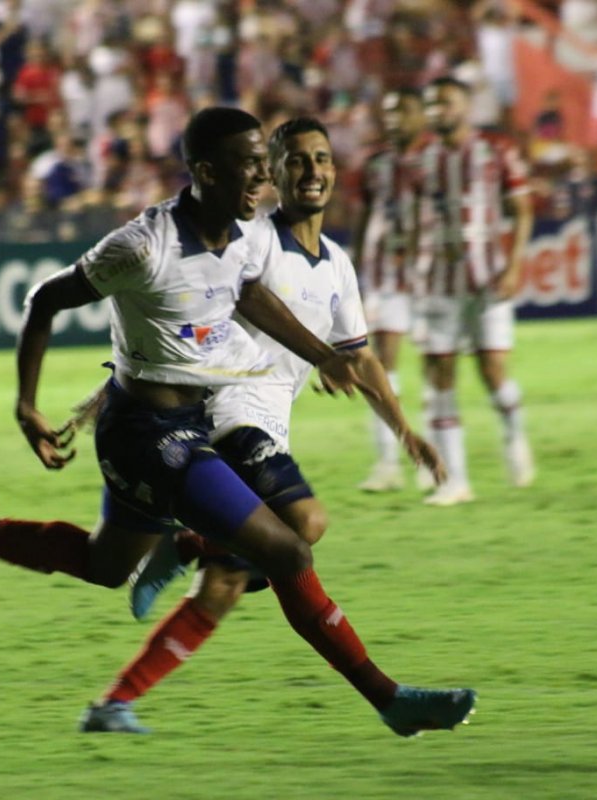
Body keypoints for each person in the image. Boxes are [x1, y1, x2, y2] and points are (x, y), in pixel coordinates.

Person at [0, 107, 476, 737]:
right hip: (149, 435)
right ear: (206, 172)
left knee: (105, 565)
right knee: (288, 547)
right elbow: (46, 299)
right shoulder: (144, 245)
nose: (263, 176)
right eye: (250, 164)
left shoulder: (239, 238)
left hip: (176, 421)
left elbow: (250, 294)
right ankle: (388, 699)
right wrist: (27, 404)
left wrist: (323, 355)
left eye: (262, 163)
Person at [77, 116, 446, 733]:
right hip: (225, 413)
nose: (311, 171)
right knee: (307, 523)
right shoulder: (248, 238)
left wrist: (404, 430)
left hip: (271, 424)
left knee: (223, 585)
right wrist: (118, 384)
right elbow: (179, 306)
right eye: (296, 160)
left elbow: (359, 356)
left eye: (321, 159)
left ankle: (116, 702)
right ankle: (185, 544)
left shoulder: (337, 265)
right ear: (271, 171)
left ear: (335, 170)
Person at [413, 76, 535, 506]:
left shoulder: (496, 150)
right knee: (440, 377)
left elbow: (522, 209)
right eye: (432, 104)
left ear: (466, 106)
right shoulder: (421, 158)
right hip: (438, 283)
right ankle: (455, 482)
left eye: (445, 102)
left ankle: (514, 431)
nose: (437, 111)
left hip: (487, 279)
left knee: (493, 373)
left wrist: (514, 266)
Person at [354, 89, 427, 492]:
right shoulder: (376, 164)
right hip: (385, 276)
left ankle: (436, 461)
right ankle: (388, 463)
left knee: (437, 366)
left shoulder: (436, 160)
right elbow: (366, 214)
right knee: (381, 365)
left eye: (404, 110)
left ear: (421, 115)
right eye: (390, 112)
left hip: (431, 276)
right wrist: (354, 266)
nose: (395, 118)